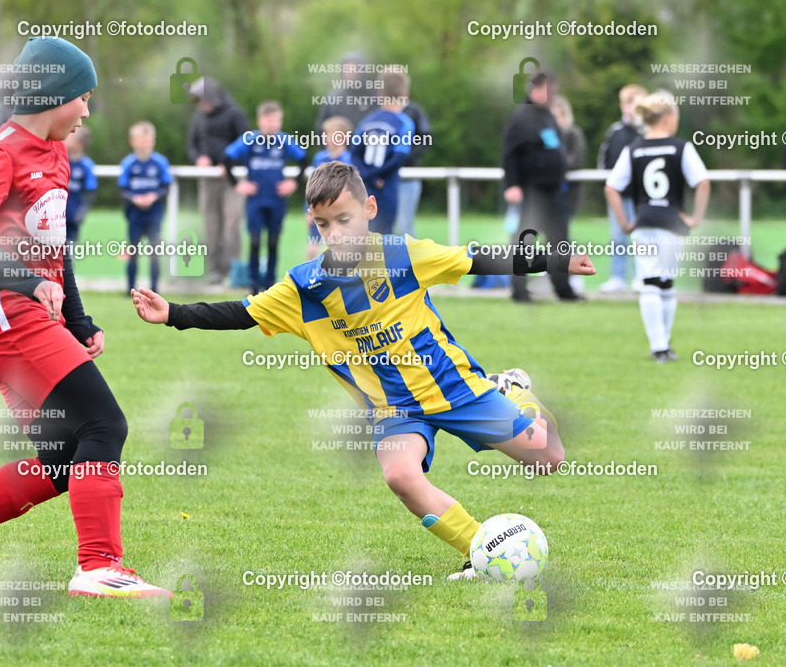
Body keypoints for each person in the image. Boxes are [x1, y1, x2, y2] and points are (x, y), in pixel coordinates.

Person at [132, 161, 595, 578]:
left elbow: (476, 258)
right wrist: (173, 313)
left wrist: (554, 260)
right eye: (323, 224)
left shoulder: (402, 255)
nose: (334, 233)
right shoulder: (305, 287)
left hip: (453, 387)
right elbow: (242, 312)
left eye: (344, 220)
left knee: (548, 458)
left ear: (369, 209)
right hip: (394, 409)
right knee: (400, 476)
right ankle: (479, 549)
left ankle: (513, 389)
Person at [0, 37, 166, 598]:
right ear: (54, 94)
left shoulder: (57, 152)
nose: (87, 110)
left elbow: (54, 246)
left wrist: (79, 319)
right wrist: (28, 282)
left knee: (63, 459)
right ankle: (99, 566)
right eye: (83, 97)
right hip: (3, 321)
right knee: (104, 424)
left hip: (28, 319)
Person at [604, 90, 709, 363]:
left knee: (649, 284)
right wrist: (695, 218)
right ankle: (663, 344)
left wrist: (625, 222)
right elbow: (702, 182)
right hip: (673, 223)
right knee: (665, 285)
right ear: (667, 118)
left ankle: (659, 345)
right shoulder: (681, 147)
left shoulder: (634, 149)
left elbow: (611, 187)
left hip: (644, 223)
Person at [502, 71, 580, 302]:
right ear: (535, 90)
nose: (553, 96)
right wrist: (512, 185)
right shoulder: (522, 117)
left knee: (560, 241)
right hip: (532, 190)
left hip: (552, 191)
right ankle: (519, 291)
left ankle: (563, 289)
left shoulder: (546, 115)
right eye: (549, 91)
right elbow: (509, 153)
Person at [224, 101, 308, 294]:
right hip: (256, 200)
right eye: (270, 120)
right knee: (254, 242)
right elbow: (227, 159)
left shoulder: (284, 140)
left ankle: (270, 284)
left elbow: (304, 160)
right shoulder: (250, 140)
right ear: (260, 120)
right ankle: (254, 286)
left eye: (277, 120)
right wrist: (238, 184)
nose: (274, 124)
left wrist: (293, 182)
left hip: (276, 199)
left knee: (273, 242)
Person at [186, 77, 249, 284]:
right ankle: (214, 270)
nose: (200, 105)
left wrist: (229, 162)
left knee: (232, 222)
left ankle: (233, 270)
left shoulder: (235, 114)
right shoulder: (199, 118)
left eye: (202, 99)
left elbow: (246, 142)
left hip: (232, 178)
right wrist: (199, 158)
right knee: (211, 224)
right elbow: (192, 145)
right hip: (208, 178)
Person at [350, 71, 414, 234]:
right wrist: (377, 177)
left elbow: (354, 153)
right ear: (405, 95)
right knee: (383, 236)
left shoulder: (367, 121)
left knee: (361, 235)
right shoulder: (404, 123)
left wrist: (367, 176)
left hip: (364, 185)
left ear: (380, 95)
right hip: (386, 186)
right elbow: (398, 158)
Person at [598, 84, 647, 293]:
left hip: (640, 196)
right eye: (626, 104)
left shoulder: (646, 131)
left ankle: (640, 276)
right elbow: (604, 159)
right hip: (618, 195)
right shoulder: (615, 131)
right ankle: (617, 277)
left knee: (641, 237)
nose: (629, 109)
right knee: (618, 236)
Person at [118, 121, 172, 292]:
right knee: (133, 250)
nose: (144, 144)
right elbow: (122, 189)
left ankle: (154, 288)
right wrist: (134, 198)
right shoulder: (128, 163)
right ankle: (130, 288)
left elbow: (166, 187)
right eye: (141, 140)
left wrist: (154, 196)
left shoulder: (160, 162)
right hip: (135, 213)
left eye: (147, 140)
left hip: (154, 212)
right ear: (132, 141)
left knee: (155, 251)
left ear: (153, 141)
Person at [551, 95, 587, 294]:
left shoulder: (573, 134)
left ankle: (572, 275)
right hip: (550, 197)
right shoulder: (548, 135)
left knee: (562, 237)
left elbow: (577, 161)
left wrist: (557, 164)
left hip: (568, 196)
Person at [306, 116, 353, 261]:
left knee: (341, 251)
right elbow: (311, 186)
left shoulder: (349, 159)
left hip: (341, 211)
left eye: (331, 135)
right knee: (312, 249)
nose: (327, 138)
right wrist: (307, 209)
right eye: (326, 135)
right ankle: (311, 275)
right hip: (320, 209)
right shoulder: (319, 158)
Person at [394, 96, 432, 238]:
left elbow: (426, 139)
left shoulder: (414, 111)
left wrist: (404, 157)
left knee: (405, 227)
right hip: (383, 178)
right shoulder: (381, 112)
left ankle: (408, 253)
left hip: (408, 176)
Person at [313, 52, 376, 132]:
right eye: (347, 69)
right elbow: (321, 128)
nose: (350, 73)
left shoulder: (375, 97)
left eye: (354, 69)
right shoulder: (333, 98)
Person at [64, 125, 98, 244]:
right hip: (56, 214)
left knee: (70, 248)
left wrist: (81, 212)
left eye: (70, 137)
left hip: (73, 215)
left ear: (79, 145)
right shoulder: (61, 159)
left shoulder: (87, 165)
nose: (65, 139)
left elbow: (91, 192)